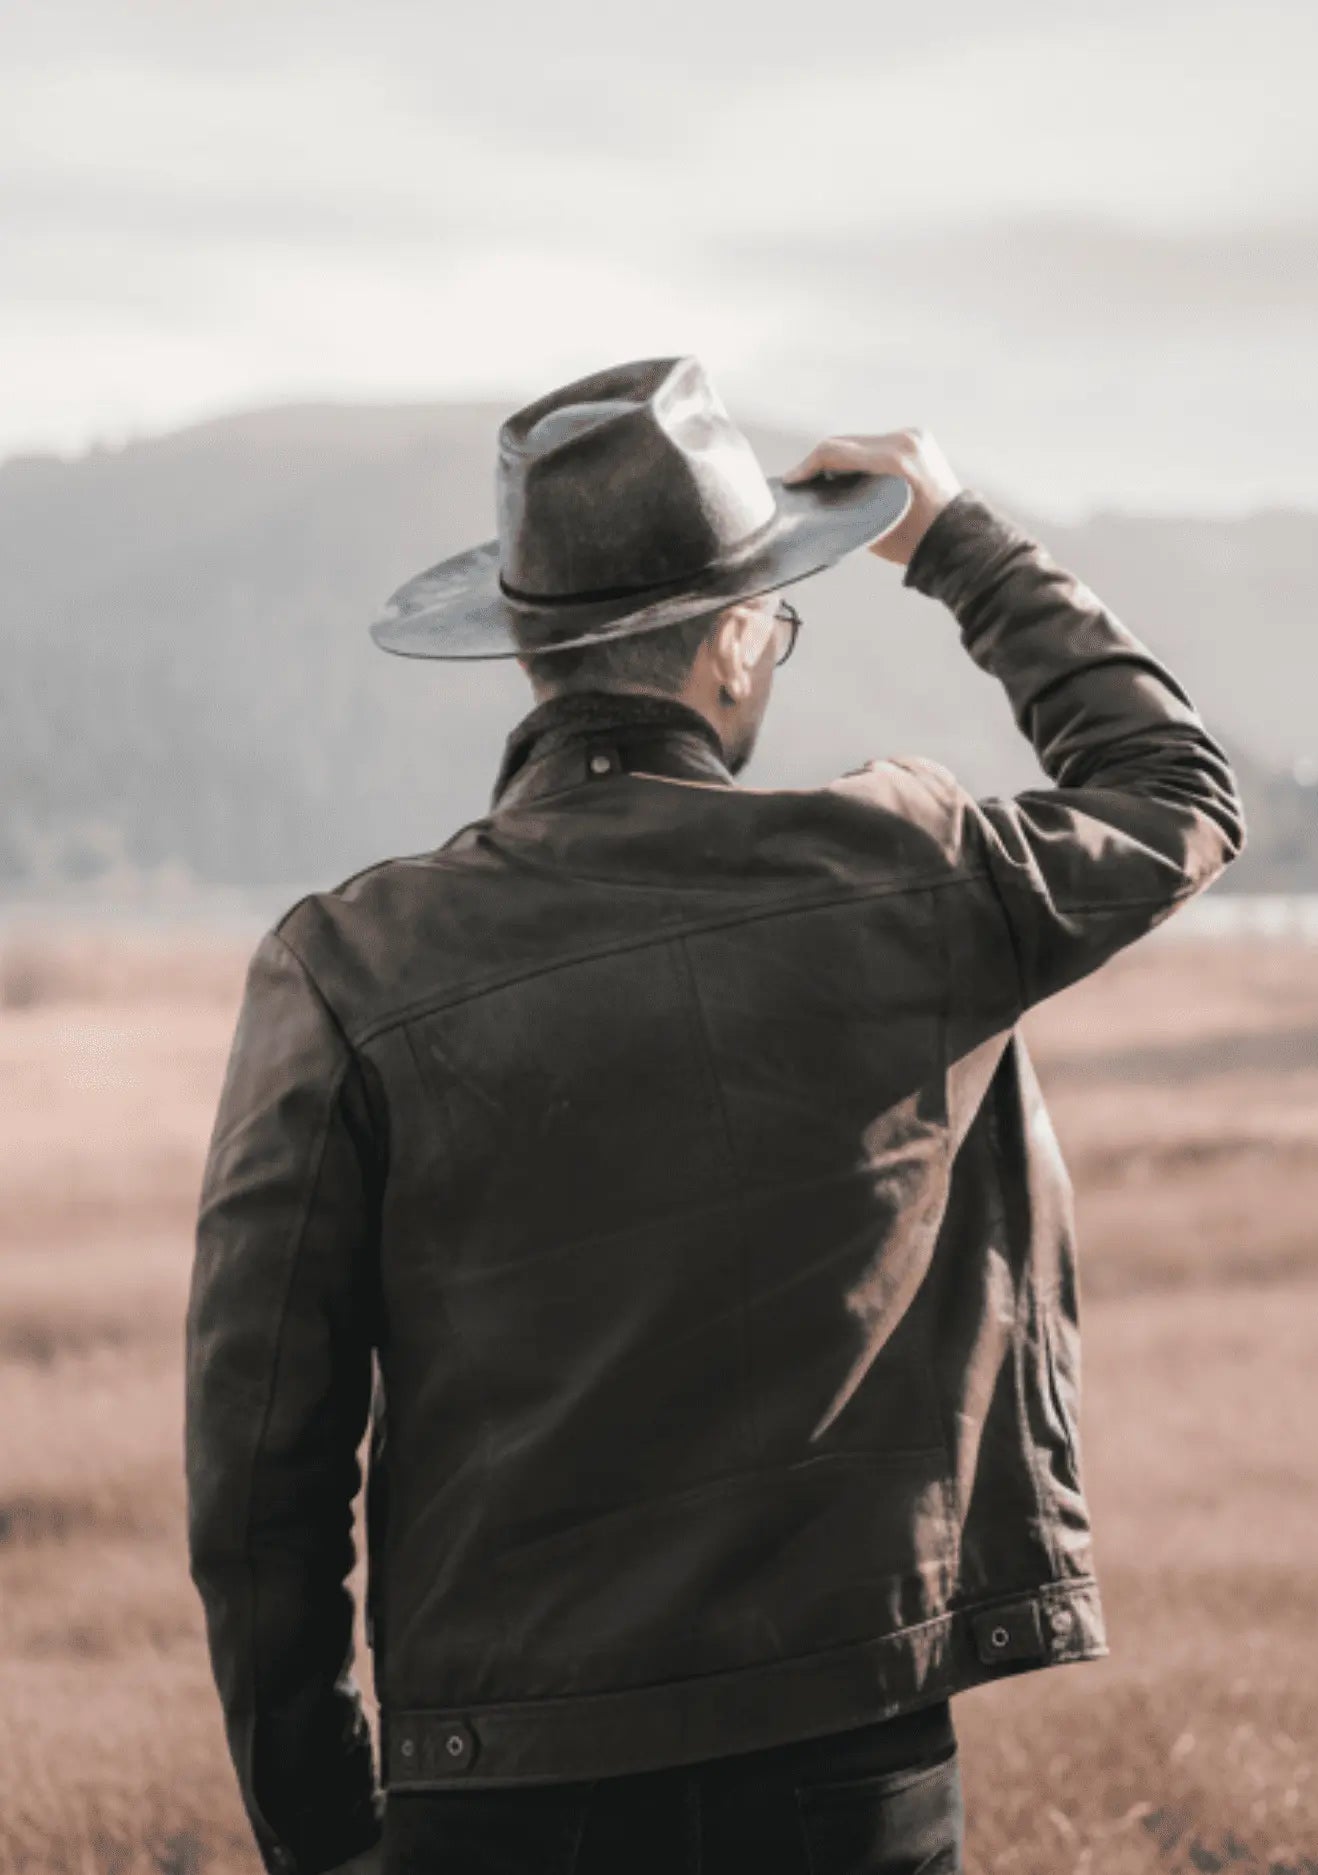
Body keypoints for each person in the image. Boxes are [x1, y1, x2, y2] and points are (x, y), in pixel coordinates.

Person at [184, 356, 1245, 1875]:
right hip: (845, 1763)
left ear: (533, 656)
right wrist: (955, 542)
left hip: (492, 1792)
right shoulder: (910, 872)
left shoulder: (345, 965)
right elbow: (1171, 788)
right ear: (741, 642)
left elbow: (257, 1476)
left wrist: (321, 1834)